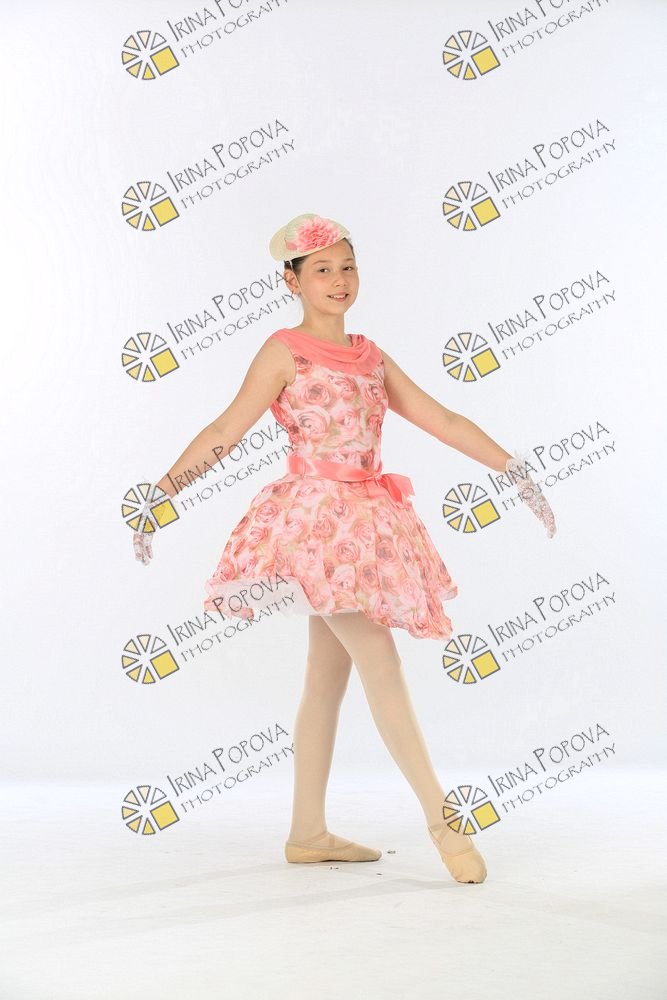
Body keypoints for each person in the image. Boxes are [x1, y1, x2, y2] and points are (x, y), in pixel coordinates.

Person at [133, 213, 556, 884]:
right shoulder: (283, 350)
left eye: (347, 267)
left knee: (325, 677)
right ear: (291, 281)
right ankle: (444, 823)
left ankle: (307, 833)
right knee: (379, 660)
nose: (338, 280)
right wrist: (161, 495)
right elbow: (224, 431)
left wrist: (514, 469)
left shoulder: (370, 355)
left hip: (369, 522)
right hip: (313, 528)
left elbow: (442, 418)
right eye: (322, 270)